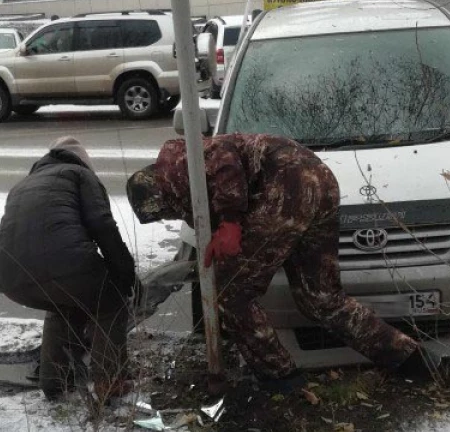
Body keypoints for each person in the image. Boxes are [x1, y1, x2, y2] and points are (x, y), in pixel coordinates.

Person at [126, 134, 432, 384]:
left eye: (163, 213)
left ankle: (281, 377)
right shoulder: (183, 175)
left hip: (285, 185)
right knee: (320, 298)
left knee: (231, 291)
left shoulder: (178, 162)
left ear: (159, 192)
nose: (168, 216)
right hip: (318, 181)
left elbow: (225, 158)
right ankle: (408, 358)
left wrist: (230, 221)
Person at [0, 136, 136, 401]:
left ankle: (55, 384)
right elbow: (102, 224)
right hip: (64, 264)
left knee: (62, 305)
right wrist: (124, 272)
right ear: (83, 160)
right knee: (110, 302)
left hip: (8, 275)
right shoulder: (80, 175)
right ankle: (110, 383)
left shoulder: (23, 184)